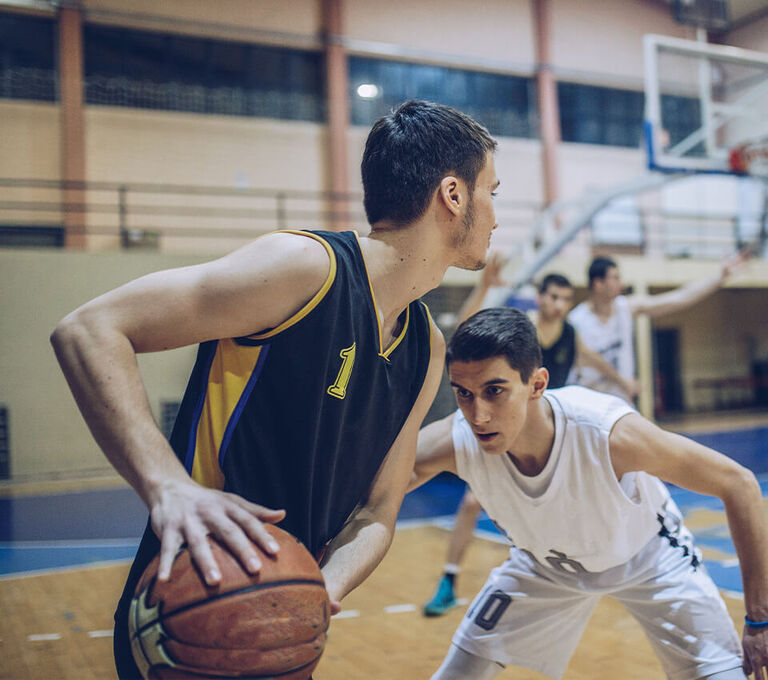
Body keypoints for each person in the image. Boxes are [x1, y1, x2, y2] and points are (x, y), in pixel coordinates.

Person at [50, 100, 500, 679]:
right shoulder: (306, 269)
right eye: (492, 189)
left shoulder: (426, 348)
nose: (495, 214)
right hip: (190, 613)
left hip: (280, 630)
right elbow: (89, 329)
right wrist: (167, 486)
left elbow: (378, 511)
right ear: (453, 194)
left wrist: (312, 594)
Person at [411, 307, 768, 680]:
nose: (478, 415)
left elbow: (738, 484)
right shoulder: (456, 439)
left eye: (494, 391)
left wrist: (760, 621)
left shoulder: (606, 433)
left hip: (651, 561)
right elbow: (371, 489)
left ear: (537, 384)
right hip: (544, 567)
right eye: (464, 394)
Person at [423, 268, 638, 616]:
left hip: (554, 438)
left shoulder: (570, 333)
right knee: (471, 503)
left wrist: (623, 381)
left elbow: (590, 359)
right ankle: (449, 579)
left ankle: (567, 565)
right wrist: (484, 286)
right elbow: (464, 332)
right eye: (553, 296)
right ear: (540, 297)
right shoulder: (521, 333)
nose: (559, 304)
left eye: (566, 299)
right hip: (510, 432)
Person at [569, 252, 748, 401]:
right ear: (598, 283)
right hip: (589, 400)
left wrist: (720, 277)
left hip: (620, 401)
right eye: (615, 278)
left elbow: (678, 298)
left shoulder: (626, 308)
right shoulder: (576, 320)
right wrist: (624, 381)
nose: (621, 283)